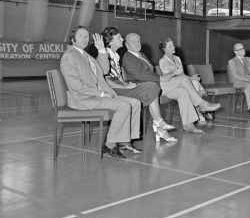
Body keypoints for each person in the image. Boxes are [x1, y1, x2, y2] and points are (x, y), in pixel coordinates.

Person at [60, 26, 141, 159]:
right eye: (81, 36)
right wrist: (101, 94)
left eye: (87, 36)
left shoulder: (85, 55)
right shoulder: (69, 56)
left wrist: (102, 50)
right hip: (83, 99)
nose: (85, 39)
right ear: (73, 39)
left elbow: (103, 70)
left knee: (135, 102)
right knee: (124, 106)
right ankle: (109, 146)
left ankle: (124, 142)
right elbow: (76, 86)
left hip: (95, 95)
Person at [101, 27, 176, 143]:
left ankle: (159, 125)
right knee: (151, 86)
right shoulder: (105, 54)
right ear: (111, 41)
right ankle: (159, 123)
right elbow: (105, 80)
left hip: (123, 85)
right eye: (119, 38)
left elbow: (118, 77)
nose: (122, 39)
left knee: (151, 87)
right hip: (114, 90)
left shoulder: (115, 55)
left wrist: (125, 83)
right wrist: (124, 86)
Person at [158, 37, 221, 133]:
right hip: (168, 88)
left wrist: (192, 78)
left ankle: (188, 125)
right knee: (188, 84)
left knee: (184, 92)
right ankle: (202, 104)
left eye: (173, 44)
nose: (173, 47)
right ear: (164, 49)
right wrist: (175, 72)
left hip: (179, 86)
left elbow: (182, 76)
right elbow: (167, 78)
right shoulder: (163, 61)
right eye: (170, 46)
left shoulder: (177, 58)